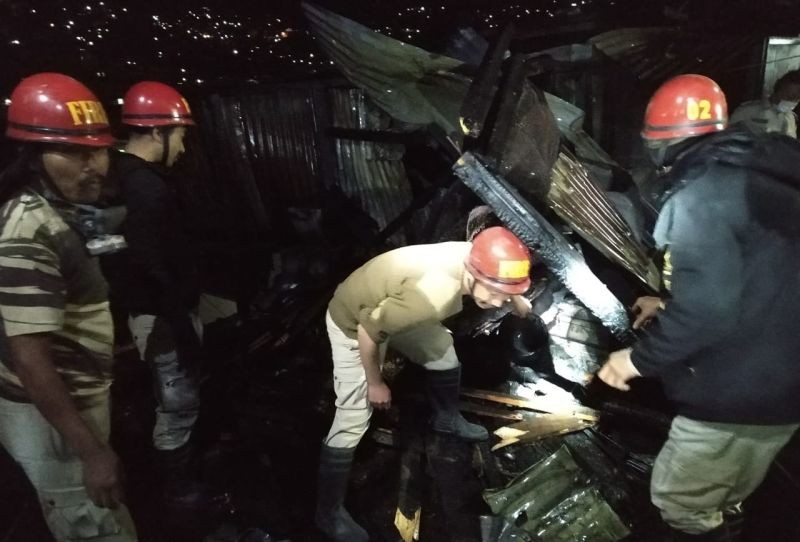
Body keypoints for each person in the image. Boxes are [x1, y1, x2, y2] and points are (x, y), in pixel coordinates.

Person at [598, 74, 800, 541]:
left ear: (664, 143)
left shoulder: (699, 197)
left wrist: (635, 360)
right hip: (784, 385)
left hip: (737, 391)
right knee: (724, 491)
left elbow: (710, 311)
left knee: (680, 502)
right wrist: (669, 300)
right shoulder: (761, 173)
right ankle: (726, 522)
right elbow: (762, 275)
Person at [316, 226, 534, 541]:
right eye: (495, 292)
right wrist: (376, 383)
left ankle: (446, 419)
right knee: (352, 417)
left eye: (505, 293)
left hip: (390, 307)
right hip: (355, 322)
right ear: (473, 275)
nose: (499, 301)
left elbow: (497, 276)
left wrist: (516, 299)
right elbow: (368, 331)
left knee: (443, 353)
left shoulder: (473, 254)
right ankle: (327, 513)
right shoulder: (434, 296)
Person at [0, 72, 137, 541]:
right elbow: (30, 358)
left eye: (97, 150)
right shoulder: (28, 232)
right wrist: (90, 452)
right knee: (93, 524)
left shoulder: (56, 214)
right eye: (75, 153)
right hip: (54, 420)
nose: (94, 165)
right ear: (33, 158)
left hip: (74, 402)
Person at [102, 81, 225, 509]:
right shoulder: (147, 190)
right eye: (182, 135)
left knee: (175, 391)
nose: (185, 146)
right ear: (158, 132)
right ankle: (178, 487)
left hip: (152, 311)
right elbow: (153, 268)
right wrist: (181, 328)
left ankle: (181, 462)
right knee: (177, 401)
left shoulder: (122, 176)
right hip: (160, 317)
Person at [730, 69, 800, 137]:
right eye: (790, 97)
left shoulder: (791, 118)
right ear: (778, 90)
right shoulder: (747, 111)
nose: (793, 102)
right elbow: (727, 139)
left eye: (797, 99)